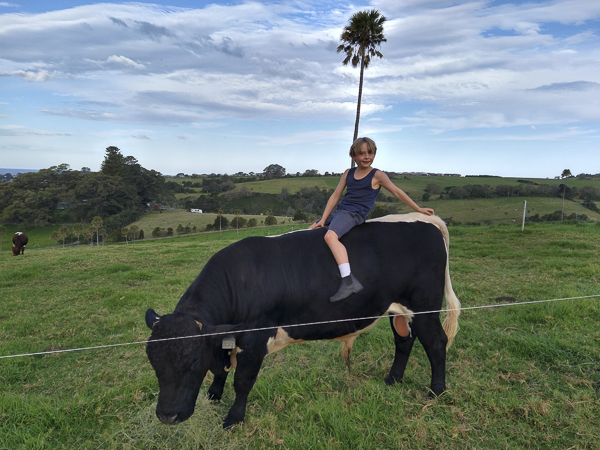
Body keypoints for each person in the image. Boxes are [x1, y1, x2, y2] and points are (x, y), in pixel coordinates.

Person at [309, 137, 435, 302]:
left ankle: (348, 282)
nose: (367, 156)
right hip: (341, 210)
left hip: (354, 214)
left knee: (330, 236)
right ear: (353, 156)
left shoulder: (378, 175)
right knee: (311, 231)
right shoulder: (349, 173)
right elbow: (335, 196)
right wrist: (323, 219)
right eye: (362, 153)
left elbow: (397, 192)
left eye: (370, 152)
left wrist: (418, 208)